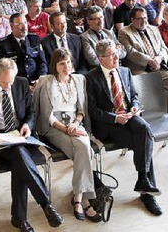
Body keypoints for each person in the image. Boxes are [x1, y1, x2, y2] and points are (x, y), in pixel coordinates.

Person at [0, 58, 63, 232]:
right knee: (20, 157)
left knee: (19, 160)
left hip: (18, 136)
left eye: (11, 82)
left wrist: (27, 124)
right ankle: (46, 205)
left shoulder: (20, 83)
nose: (8, 86)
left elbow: (30, 111)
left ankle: (19, 219)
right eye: (4, 83)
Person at [86, 39, 163, 216]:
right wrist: (115, 118)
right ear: (100, 58)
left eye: (116, 53)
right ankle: (146, 192)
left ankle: (143, 180)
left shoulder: (125, 71)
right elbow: (93, 110)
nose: (116, 57)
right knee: (144, 142)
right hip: (108, 123)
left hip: (129, 114)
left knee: (145, 131)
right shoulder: (91, 77)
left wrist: (134, 107)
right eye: (112, 55)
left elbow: (134, 96)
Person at [34, 49, 102, 223]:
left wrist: (76, 124)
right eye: (61, 63)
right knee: (85, 149)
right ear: (55, 66)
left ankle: (79, 198)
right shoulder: (46, 82)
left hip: (75, 123)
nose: (66, 67)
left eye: (68, 63)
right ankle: (84, 200)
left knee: (83, 148)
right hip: (54, 126)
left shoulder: (79, 79)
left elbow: (81, 110)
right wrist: (65, 128)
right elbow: (45, 114)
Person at [0, 13, 47, 85]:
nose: (24, 27)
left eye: (25, 23)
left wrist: (40, 79)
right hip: (17, 84)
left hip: (37, 82)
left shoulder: (34, 39)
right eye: (20, 24)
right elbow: (3, 70)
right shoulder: (3, 44)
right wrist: (23, 85)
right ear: (11, 26)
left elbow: (43, 62)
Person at [117, 7, 168, 74]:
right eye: (140, 19)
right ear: (132, 19)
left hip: (158, 65)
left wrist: (159, 58)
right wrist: (149, 61)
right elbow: (130, 52)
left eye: (145, 18)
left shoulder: (154, 29)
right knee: (147, 81)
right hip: (140, 68)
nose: (143, 21)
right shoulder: (124, 32)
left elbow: (164, 48)